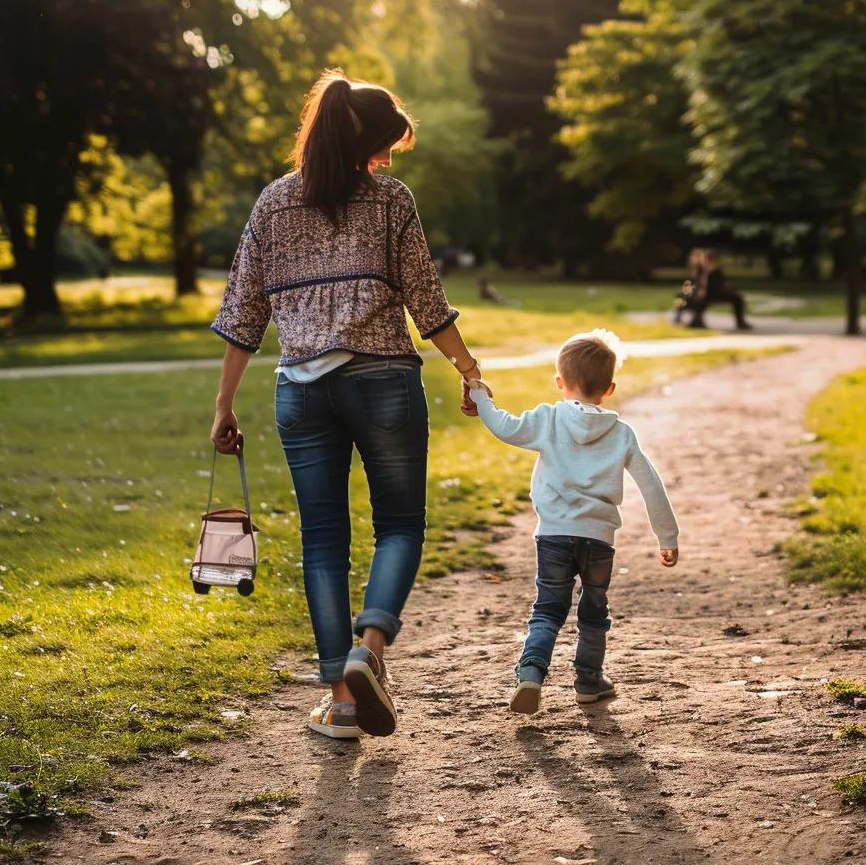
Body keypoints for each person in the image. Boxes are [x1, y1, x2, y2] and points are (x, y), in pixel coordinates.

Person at [209, 69, 482, 741]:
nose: (390, 160)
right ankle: (371, 650)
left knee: (323, 542)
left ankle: (343, 703)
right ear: (365, 139)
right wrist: (469, 370)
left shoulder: (271, 205)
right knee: (399, 527)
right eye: (387, 144)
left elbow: (243, 312)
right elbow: (426, 299)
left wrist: (223, 405)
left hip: (301, 390)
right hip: (381, 382)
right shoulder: (390, 200)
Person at [466, 330, 680, 715]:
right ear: (609, 388)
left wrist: (481, 396)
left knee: (548, 608)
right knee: (594, 610)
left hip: (553, 535)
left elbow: (505, 427)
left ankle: (531, 672)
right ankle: (588, 682)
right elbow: (650, 483)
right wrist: (667, 536)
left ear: (560, 382)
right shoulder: (621, 432)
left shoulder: (548, 418)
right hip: (599, 539)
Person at [688, 249, 752, 330]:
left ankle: (740, 322)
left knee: (737, 299)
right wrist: (702, 290)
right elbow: (701, 282)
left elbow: (723, 282)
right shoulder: (702, 269)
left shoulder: (716, 269)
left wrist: (728, 289)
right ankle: (696, 321)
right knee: (701, 301)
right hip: (707, 294)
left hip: (717, 293)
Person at [672, 249, 705, 324]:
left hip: (699, 292)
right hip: (695, 291)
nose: (693, 259)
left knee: (683, 297)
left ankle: (680, 318)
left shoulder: (701, 269)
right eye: (692, 257)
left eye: (696, 257)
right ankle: (678, 317)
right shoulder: (695, 269)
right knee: (680, 296)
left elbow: (701, 283)